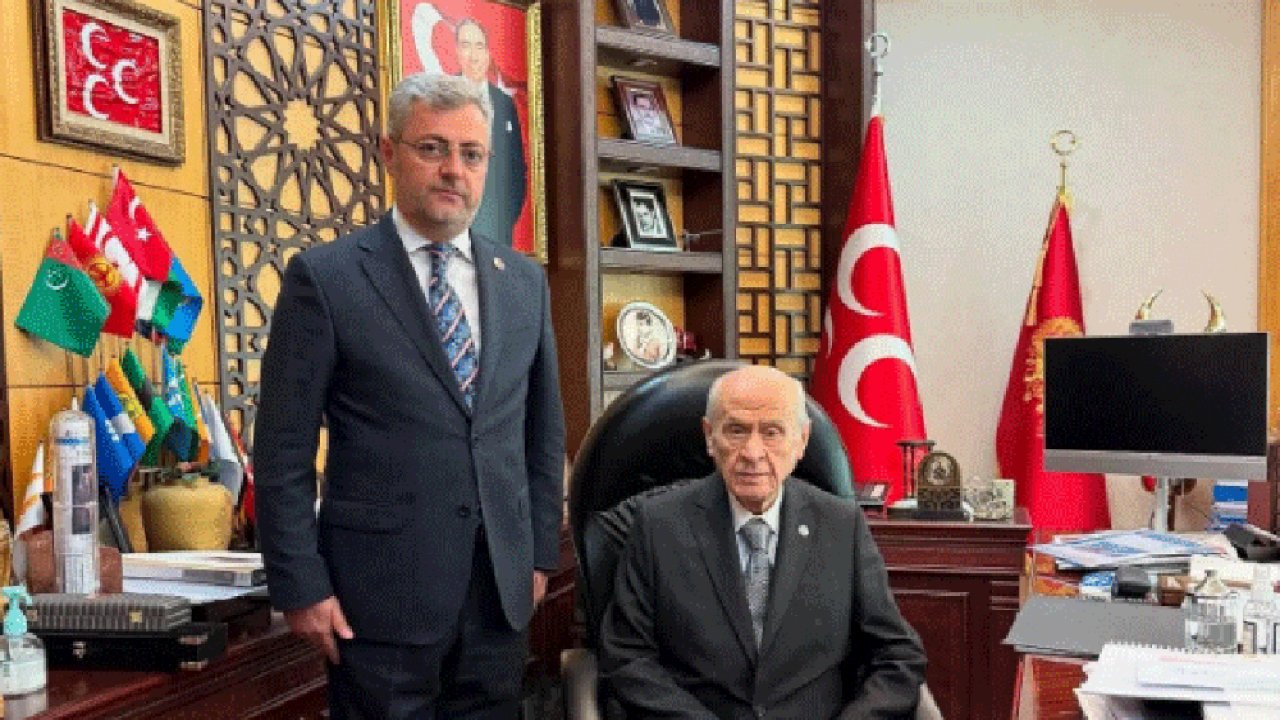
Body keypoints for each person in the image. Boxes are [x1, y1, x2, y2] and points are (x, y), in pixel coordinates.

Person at [255, 72, 565, 719]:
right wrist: (299, 584)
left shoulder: (524, 283)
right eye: (433, 148)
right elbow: (282, 450)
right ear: (389, 153)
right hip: (377, 604)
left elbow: (543, 435)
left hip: (499, 600)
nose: (454, 170)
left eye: (472, 154)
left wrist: (538, 557)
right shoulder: (327, 278)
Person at [600, 365, 927, 718]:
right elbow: (627, 657)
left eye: (772, 432)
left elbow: (897, 655)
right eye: (736, 431)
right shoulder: (658, 524)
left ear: (801, 440)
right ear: (709, 436)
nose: (752, 453)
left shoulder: (841, 525)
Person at [456, 18, 527, 249]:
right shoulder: (441, 97)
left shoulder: (504, 103)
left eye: (479, 47)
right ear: (457, 51)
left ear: (488, 54)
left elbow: (517, 171)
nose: (473, 56)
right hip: (453, 230)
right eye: (466, 46)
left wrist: (503, 219)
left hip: (497, 233)